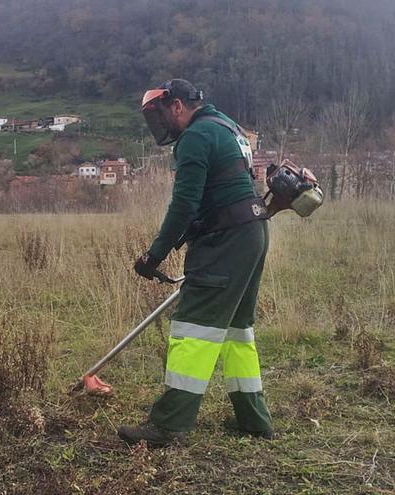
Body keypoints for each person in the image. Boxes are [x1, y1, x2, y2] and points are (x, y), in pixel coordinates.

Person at [118, 79, 274, 446]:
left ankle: (168, 427)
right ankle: (254, 421)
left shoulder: (195, 137)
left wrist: (153, 254)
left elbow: (184, 204)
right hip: (252, 233)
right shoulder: (227, 126)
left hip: (227, 240)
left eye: (159, 115)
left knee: (193, 329)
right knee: (238, 331)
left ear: (176, 106)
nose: (160, 125)